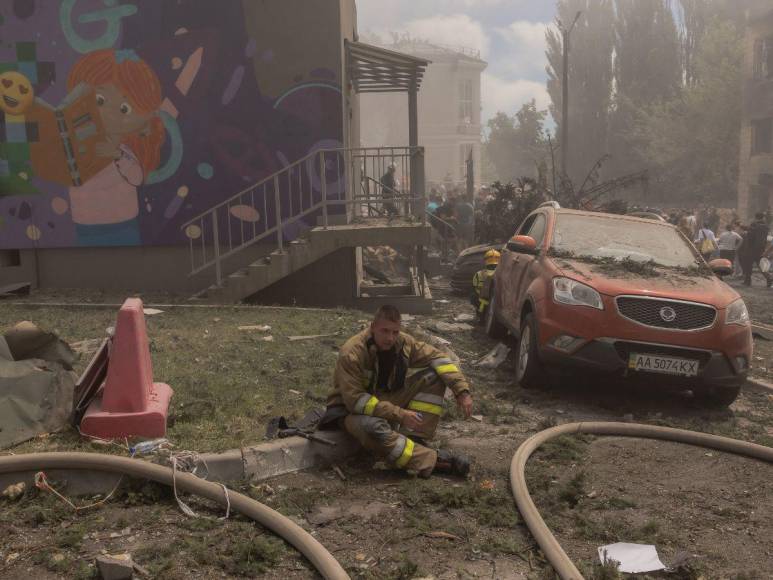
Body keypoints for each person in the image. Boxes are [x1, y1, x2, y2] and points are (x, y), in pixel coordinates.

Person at [321, 305, 473, 478]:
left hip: (384, 400)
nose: (390, 338)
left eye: (395, 332)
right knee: (372, 427)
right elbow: (356, 401)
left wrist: (462, 391)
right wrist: (399, 414)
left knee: (435, 375)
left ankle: (415, 438)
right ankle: (433, 461)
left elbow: (439, 358)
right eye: (384, 331)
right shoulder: (352, 352)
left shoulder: (403, 343)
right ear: (372, 327)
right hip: (350, 411)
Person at [739, 213, 770, 286]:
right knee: (761, 265)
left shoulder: (754, 225)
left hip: (751, 248)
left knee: (748, 265)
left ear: (755, 217)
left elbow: (750, 233)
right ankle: (769, 279)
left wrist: (744, 229)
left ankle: (747, 281)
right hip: (761, 249)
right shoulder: (765, 226)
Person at [471, 250, 500, 320]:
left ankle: (480, 315)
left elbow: (474, 286)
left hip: (481, 302)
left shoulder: (479, 274)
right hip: (497, 303)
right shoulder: (501, 274)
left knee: (472, 295)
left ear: (485, 261)